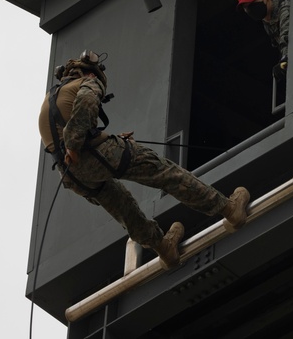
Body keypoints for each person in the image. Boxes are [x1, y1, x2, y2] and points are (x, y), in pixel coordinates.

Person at [40, 51, 251, 268]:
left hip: (73, 175)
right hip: (90, 153)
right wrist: (76, 143)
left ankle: (164, 248)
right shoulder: (89, 82)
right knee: (164, 173)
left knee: (124, 208)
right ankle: (229, 209)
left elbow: (62, 137)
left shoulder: (52, 97)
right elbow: (87, 102)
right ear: (91, 73)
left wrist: (102, 140)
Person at [235, 0, 290, 81]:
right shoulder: (267, 23)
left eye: (253, 2)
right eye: (246, 7)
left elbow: (286, 37)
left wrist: (284, 60)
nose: (250, 9)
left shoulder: (285, 9)